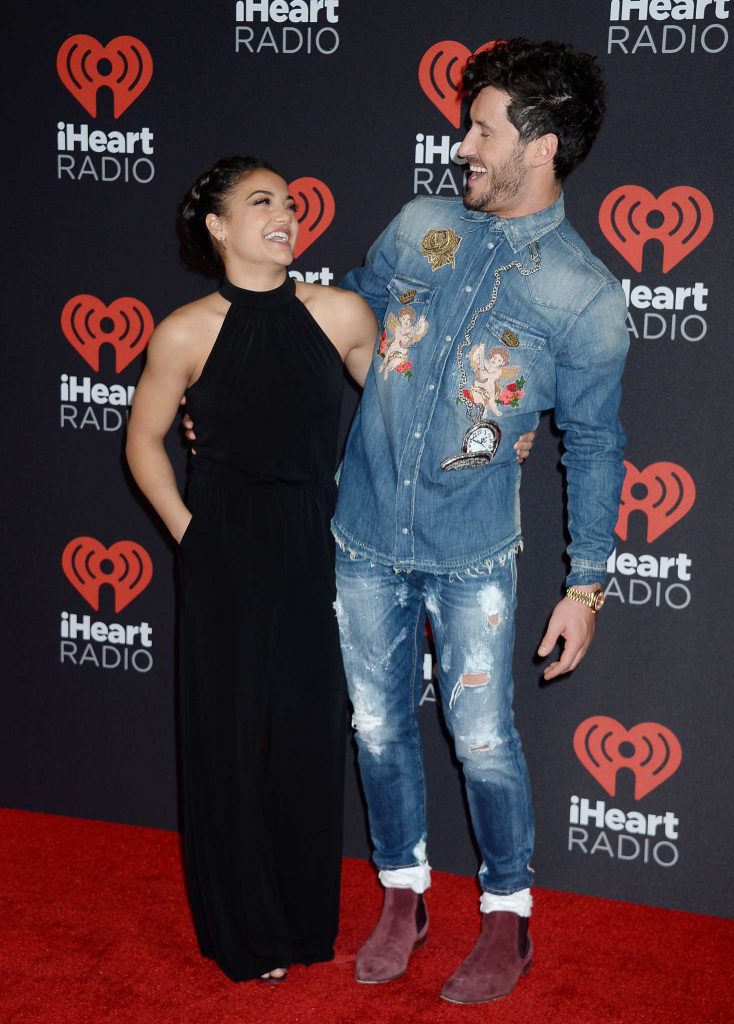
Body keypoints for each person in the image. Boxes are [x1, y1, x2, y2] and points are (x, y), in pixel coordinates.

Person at [330, 39, 629, 1005]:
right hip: (364, 531)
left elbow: (595, 442)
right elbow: (357, 324)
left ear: (538, 147)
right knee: (377, 727)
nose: (462, 144)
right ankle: (402, 895)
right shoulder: (422, 223)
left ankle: (507, 915)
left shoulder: (585, 294)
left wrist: (586, 586)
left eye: (483, 130)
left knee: (485, 738)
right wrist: (392, 406)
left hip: (471, 556)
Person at [125, 156, 378, 982]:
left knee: (307, 735)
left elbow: (401, 409)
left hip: (315, 535)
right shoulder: (185, 329)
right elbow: (143, 440)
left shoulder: (341, 312)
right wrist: (188, 533)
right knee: (225, 736)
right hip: (222, 540)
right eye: (262, 201)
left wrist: (494, 425)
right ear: (219, 227)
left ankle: (304, 923)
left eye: (293, 202)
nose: (286, 213)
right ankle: (245, 933)